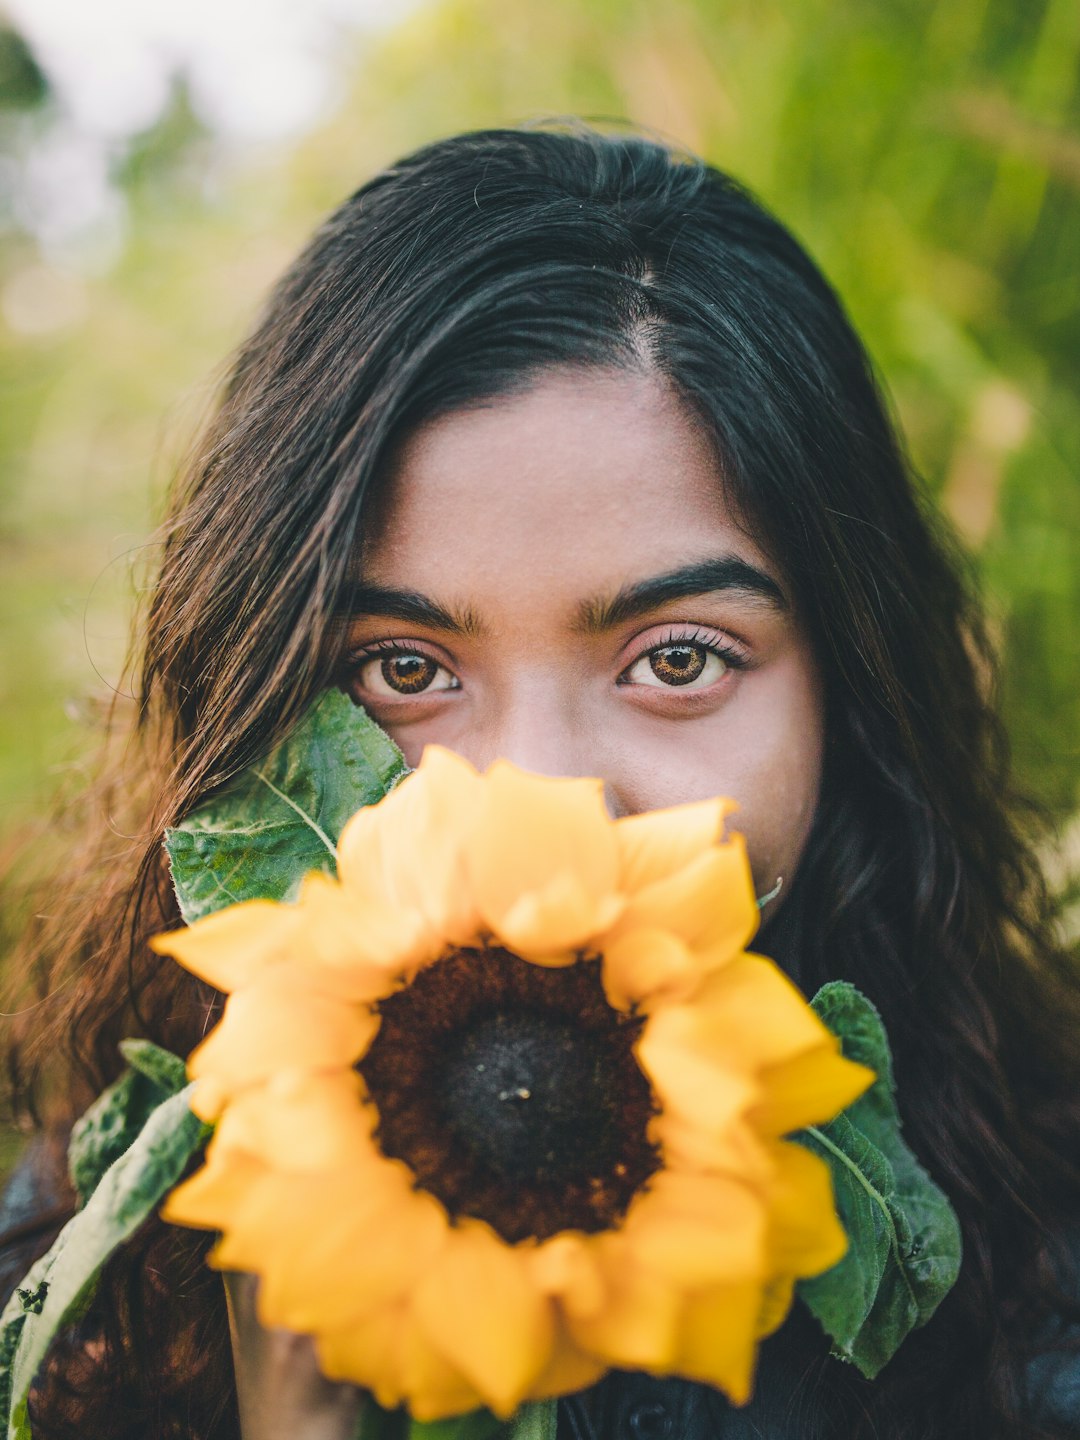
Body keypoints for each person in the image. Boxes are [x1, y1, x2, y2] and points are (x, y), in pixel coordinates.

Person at [2, 124, 1078, 1440]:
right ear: (255, 701)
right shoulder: (92, 1274)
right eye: (402, 669)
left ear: (853, 691)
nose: (540, 805)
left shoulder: (1040, 1284)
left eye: (678, 658)